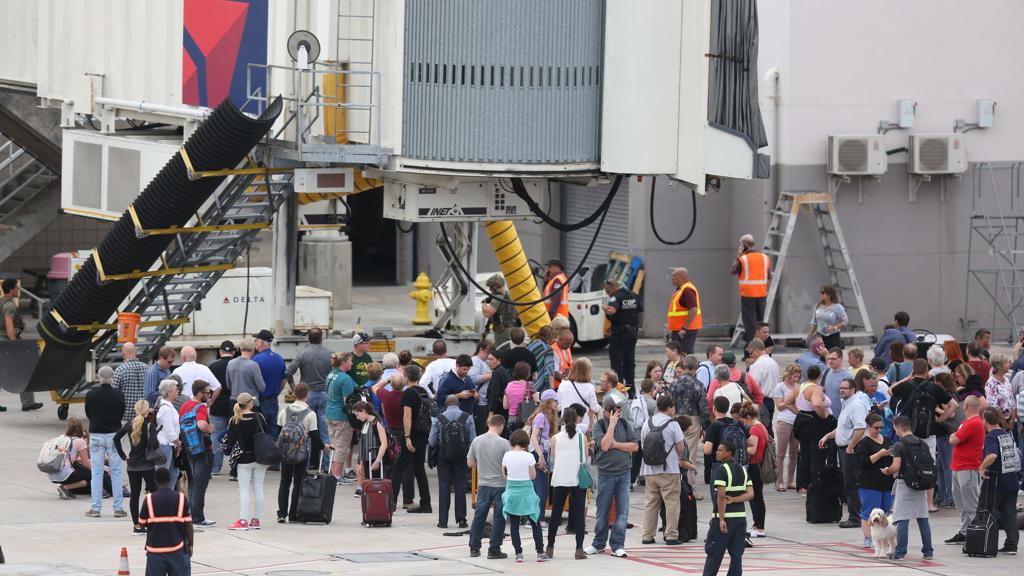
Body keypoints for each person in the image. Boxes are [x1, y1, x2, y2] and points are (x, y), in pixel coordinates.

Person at [585, 395, 638, 557]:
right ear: (609, 410)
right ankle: (598, 543)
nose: (620, 411)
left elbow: (634, 446)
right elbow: (605, 446)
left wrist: (617, 444)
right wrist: (611, 426)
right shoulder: (599, 426)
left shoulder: (626, 424)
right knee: (603, 510)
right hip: (606, 474)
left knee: (622, 512)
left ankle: (617, 545)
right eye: (617, 409)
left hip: (624, 473)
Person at [819, 377, 870, 528]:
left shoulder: (856, 405)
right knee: (848, 482)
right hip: (844, 449)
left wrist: (850, 446)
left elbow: (860, 428)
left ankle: (856, 518)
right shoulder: (846, 404)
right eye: (840, 388)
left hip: (851, 450)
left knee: (852, 483)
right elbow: (843, 428)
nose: (841, 390)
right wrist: (828, 436)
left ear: (853, 390)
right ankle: (856, 515)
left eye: (845, 388)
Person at [881, 416, 934, 561]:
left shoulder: (900, 445)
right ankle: (928, 551)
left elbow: (896, 466)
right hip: (922, 484)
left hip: (906, 484)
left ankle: (900, 552)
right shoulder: (922, 443)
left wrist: (887, 470)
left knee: (902, 518)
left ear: (898, 427)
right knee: (922, 518)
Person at [640, 395, 687, 545]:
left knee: (650, 503)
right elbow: (681, 447)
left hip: (649, 470)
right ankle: (671, 535)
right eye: (673, 407)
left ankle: (647, 535)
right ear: (668, 408)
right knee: (672, 503)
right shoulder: (673, 424)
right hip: (669, 469)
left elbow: (643, 445)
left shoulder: (647, 423)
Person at [702, 441, 754, 576]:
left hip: (725, 520)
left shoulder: (721, 470)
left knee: (714, 554)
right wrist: (735, 499)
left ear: (729, 453)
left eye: (720, 450)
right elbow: (750, 494)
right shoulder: (742, 469)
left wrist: (721, 519)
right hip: (740, 519)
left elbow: (721, 497)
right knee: (737, 555)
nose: (717, 452)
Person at [285, 328, 333, 468]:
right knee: (323, 431)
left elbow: (288, 372)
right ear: (322, 338)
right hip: (325, 393)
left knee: (306, 430)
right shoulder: (330, 354)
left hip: (307, 395)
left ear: (308, 339)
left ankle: (305, 464)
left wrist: (294, 388)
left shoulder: (303, 353)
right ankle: (325, 465)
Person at [276, 383, 323, 523]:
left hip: (285, 451)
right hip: (301, 452)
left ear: (294, 394)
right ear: (307, 395)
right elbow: (315, 436)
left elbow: (278, 432)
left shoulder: (284, 411)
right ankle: (293, 513)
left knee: (284, 482)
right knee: (298, 482)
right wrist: (323, 447)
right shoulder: (310, 414)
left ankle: (281, 514)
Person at [502, 429, 550, 562]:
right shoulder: (529, 456)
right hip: (527, 492)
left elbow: (504, 475)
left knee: (514, 524)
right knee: (535, 522)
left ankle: (518, 553)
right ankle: (540, 552)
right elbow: (533, 476)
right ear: (525, 442)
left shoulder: (507, 455)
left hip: (512, 491)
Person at [84, 365, 126, 518]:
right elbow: (121, 412)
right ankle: (118, 508)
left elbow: (88, 413)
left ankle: (96, 508)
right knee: (116, 472)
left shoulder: (91, 395)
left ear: (100, 378)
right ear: (112, 378)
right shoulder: (119, 395)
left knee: (96, 472)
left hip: (96, 435)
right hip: (113, 435)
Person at [547, 409, 590, 559]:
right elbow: (585, 457)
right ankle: (579, 548)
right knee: (579, 515)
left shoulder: (555, 438)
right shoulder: (581, 438)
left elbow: (553, 458)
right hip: (577, 478)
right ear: (576, 420)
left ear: (563, 420)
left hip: (560, 478)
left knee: (556, 514)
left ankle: (550, 547)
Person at [223, 393, 269, 530]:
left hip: (244, 459)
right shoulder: (259, 417)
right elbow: (266, 433)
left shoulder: (235, 420)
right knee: (259, 488)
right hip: (260, 457)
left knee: (244, 490)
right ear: (249, 403)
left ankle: (243, 520)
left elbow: (230, 442)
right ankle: (256, 520)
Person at [468, 415, 511, 559]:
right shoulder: (504, 443)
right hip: (500, 485)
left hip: (484, 484)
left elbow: (470, 463)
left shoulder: (477, 440)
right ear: (501, 426)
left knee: (479, 516)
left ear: (488, 424)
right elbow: (508, 465)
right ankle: (494, 549)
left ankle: (474, 548)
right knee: (499, 518)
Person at [430, 395, 476, 528]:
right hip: (462, 456)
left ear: (446, 404)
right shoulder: (467, 417)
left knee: (444, 486)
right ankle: (461, 519)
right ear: (458, 404)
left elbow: (432, 441)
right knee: (460, 486)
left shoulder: (438, 418)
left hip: (444, 456)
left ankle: (443, 521)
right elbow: (473, 439)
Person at [787, 365, 834, 492]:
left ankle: (803, 484)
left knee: (805, 454)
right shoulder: (815, 389)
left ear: (806, 375)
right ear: (819, 376)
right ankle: (815, 483)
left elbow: (787, 401)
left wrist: (799, 412)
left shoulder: (799, 387)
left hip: (803, 422)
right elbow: (817, 404)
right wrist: (824, 415)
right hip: (815, 423)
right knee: (817, 454)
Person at [980, 406, 1020, 555]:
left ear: (986, 420)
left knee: (986, 511)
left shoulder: (991, 437)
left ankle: (984, 541)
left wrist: (981, 467)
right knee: (1009, 514)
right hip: (1011, 480)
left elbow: (992, 455)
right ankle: (1011, 545)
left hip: (997, 482)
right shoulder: (1006, 434)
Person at [139, 467, 194, 575]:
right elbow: (188, 525)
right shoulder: (182, 498)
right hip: (177, 550)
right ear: (170, 480)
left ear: (156, 481)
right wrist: (190, 544)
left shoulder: (149, 499)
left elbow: (141, 523)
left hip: (155, 551)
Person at [115, 399, 158, 535]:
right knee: (155, 494)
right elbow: (155, 445)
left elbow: (116, 438)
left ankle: (137, 525)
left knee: (134, 495)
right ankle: (153, 521)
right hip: (147, 465)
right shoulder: (149, 425)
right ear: (147, 410)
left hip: (132, 464)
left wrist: (123, 456)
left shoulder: (130, 424)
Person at [945, 395, 984, 546]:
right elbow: (955, 438)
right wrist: (954, 436)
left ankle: (976, 534)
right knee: (962, 504)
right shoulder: (968, 422)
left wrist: (954, 436)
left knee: (971, 504)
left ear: (966, 406)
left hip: (967, 467)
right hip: (959, 466)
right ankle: (964, 532)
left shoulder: (973, 423)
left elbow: (954, 440)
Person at [394, 364, 432, 514]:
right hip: (423, 433)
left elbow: (407, 416)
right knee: (419, 468)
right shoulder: (423, 392)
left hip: (413, 434)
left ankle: (390, 502)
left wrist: (407, 437)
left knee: (398, 468)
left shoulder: (408, 393)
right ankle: (426, 503)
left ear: (407, 377)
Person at [0, 278, 42, 411]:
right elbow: (9, 324)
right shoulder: (9, 305)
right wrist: (14, 343)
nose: (18, 290)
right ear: (11, 289)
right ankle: (28, 403)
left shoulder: (2, 302)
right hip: (7, 341)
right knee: (23, 371)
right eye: (17, 288)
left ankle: (28, 402)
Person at [855, 413, 895, 549]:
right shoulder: (863, 444)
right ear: (868, 427)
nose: (878, 430)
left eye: (881, 428)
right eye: (876, 428)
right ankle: (868, 537)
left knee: (885, 511)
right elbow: (863, 462)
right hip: (869, 482)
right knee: (869, 512)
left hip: (886, 481)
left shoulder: (887, 440)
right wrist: (880, 454)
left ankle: (885, 537)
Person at [669, 355, 709, 489]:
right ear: (696, 368)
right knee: (690, 453)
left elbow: (670, 402)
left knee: (674, 451)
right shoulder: (699, 385)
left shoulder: (674, 383)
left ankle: (675, 482)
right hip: (693, 420)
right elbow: (703, 407)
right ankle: (690, 486)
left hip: (676, 417)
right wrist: (704, 426)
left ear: (684, 366)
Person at [180, 380, 215, 527]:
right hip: (203, 449)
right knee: (200, 484)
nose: (209, 395)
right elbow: (201, 425)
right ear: (199, 393)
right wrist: (210, 428)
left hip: (189, 448)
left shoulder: (185, 406)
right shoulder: (200, 407)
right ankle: (198, 518)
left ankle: (191, 514)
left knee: (194, 481)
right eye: (207, 393)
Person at [49, 418, 108, 498]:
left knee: (85, 474)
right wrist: (101, 469)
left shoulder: (62, 438)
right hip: (65, 474)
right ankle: (64, 488)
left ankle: (67, 489)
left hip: (53, 473)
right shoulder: (80, 441)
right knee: (94, 474)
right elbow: (86, 464)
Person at [731, 234, 771, 345]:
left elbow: (732, 270)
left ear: (744, 245)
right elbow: (768, 276)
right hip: (762, 294)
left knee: (750, 324)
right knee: (760, 323)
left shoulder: (743, 259)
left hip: (748, 294)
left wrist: (739, 256)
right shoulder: (765, 258)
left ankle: (752, 350)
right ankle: (761, 347)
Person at [527, 390, 559, 521]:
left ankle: (535, 517)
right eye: (555, 401)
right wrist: (540, 455)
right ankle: (537, 519)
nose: (557, 403)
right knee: (542, 488)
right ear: (548, 402)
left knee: (539, 488)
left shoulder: (547, 416)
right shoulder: (541, 416)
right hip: (537, 453)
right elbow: (534, 437)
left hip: (541, 453)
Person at [604, 278, 642, 389]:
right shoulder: (633, 295)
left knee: (617, 364)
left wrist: (606, 309)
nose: (607, 292)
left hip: (619, 335)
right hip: (632, 334)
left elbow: (612, 310)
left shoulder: (616, 297)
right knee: (629, 363)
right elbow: (640, 309)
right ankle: (631, 390)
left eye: (608, 290)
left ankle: (619, 390)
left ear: (614, 287)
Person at [738, 400, 769, 537]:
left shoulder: (754, 429)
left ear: (749, 418)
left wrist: (740, 447)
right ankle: (757, 524)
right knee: (757, 496)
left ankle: (759, 527)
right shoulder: (762, 426)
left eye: (745, 420)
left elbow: (753, 449)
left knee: (755, 497)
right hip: (759, 463)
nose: (744, 423)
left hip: (754, 465)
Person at [325, 353, 357, 483]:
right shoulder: (345, 378)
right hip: (341, 416)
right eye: (350, 361)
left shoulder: (331, 375)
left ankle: (334, 473)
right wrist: (355, 420)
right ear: (344, 362)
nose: (352, 363)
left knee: (334, 445)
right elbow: (348, 402)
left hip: (330, 413)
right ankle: (337, 475)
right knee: (342, 446)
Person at [772, 364, 802, 491]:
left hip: (796, 421)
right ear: (789, 375)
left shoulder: (798, 387)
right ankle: (779, 481)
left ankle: (790, 480)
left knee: (794, 453)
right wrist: (789, 401)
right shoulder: (780, 387)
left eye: (798, 376)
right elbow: (779, 406)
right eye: (794, 376)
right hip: (784, 420)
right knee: (780, 453)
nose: (796, 379)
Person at [252, 329, 287, 438]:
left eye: (256, 340)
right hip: (273, 401)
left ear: (261, 342)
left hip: (259, 402)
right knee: (273, 434)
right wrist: (276, 393)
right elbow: (283, 380)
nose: (255, 342)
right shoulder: (279, 358)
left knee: (258, 435)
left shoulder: (255, 360)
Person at [207, 340, 235, 475]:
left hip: (217, 404)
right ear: (234, 352)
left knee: (215, 436)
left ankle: (215, 467)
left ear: (220, 352)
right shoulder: (236, 365)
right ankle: (235, 467)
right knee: (236, 435)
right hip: (234, 405)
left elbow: (208, 386)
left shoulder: (212, 366)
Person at [353, 401, 389, 496]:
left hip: (376, 458)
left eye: (357, 414)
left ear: (363, 411)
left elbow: (384, 443)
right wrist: (360, 463)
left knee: (378, 485)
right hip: (367, 459)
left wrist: (377, 460)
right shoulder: (365, 424)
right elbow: (362, 443)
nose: (357, 417)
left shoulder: (377, 423)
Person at [556, 357, 600, 435]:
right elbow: (595, 409)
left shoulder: (563, 384)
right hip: (583, 426)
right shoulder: (589, 387)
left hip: (566, 424)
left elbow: (559, 403)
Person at [666, 267, 702, 354]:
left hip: (685, 331)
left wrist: (684, 328)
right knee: (679, 355)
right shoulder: (681, 289)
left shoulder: (687, 290)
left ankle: (688, 368)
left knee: (685, 355)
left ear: (680, 277)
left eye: (673, 275)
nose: (671, 278)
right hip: (681, 330)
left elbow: (693, 309)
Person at [155, 379, 182, 488]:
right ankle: (162, 496)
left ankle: (168, 495)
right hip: (165, 444)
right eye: (176, 389)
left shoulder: (168, 406)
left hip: (169, 444)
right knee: (164, 473)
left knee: (173, 471)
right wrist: (178, 443)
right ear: (169, 392)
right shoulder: (166, 409)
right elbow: (169, 431)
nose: (178, 391)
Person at [113, 342, 148, 423]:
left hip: (125, 416)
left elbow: (114, 394)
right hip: (143, 415)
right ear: (136, 352)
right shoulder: (147, 368)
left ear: (122, 354)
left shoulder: (120, 370)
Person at [227, 337, 265, 410]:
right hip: (251, 403)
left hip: (235, 403)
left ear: (240, 349)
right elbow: (261, 387)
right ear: (253, 350)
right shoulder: (253, 365)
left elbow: (229, 386)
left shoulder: (230, 363)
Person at [482, 274, 519, 347]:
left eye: (491, 287)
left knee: (501, 352)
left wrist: (484, 303)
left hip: (503, 331)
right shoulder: (507, 294)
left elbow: (487, 313)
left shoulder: (498, 297)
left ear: (495, 287)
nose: (490, 290)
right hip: (510, 328)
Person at [809, 284, 848, 349]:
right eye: (820, 292)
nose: (820, 294)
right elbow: (814, 322)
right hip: (820, 337)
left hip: (833, 337)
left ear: (829, 294)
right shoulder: (818, 306)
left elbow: (845, 321)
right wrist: (809, 335)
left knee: (831, 357)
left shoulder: (838, 307)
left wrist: (834, 327)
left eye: (823, 292)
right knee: (819, 357)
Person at [820, 348, 853, 417]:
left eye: (833, 359)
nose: (830, 361)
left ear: (841, 358)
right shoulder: (826, 372)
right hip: (827, 417)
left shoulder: (848, 376)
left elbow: (852, 398)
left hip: (841, 417)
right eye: (829, 358)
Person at [503, 361, 536, 431]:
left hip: (511, 419)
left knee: (513, 440)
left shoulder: (509, 385)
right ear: (526, 373)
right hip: (526, 419)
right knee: (526, 440)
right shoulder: (529, 385)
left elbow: (505, 406)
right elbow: (537, 401)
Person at [985, 353, 1015, 422]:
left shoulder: (1007, 380)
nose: (1010, 364)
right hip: (999, 422)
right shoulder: (991, 383)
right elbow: (994, 407)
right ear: (999, 366)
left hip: (1011, 420)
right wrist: (1004, 423)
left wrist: (1012, 420)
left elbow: (1012, 400)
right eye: (1007, 362)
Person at [527, 324, 557, 392]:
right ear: (550, 338)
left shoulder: (530, 344)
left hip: (527, 383)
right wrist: (552, 389)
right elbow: (549, 370)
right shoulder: (548, 350)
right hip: (539, 386)